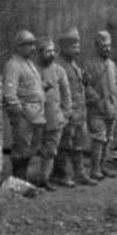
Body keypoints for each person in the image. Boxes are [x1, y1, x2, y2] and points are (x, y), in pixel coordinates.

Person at [2, 30, 46, 185]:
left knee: (30, 149)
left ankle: (24, 180)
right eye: (28, 45)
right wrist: (20, 112)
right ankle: (18, 182)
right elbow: (9, 93)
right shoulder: (13, 65)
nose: (32, 48)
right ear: (19, 47)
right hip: (24, 116)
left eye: (33, 44)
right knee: (21, 149)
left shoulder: (28, 63)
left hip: (36, 114)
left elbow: (29, 85)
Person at [55, 28, 97, 186]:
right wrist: (66, 112)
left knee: (78, 144)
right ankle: (61, 175)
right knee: (64, 145)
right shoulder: (58, 66)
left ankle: (79, 173)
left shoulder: (73, 64)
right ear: (64, 48)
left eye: (78, 47)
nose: (77, 50)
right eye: (73, 47)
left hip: (79, 112)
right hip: (67, 113)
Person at [36, 39, 75, 188]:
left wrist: (65, 113)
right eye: (47, 51)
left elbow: (66, 95)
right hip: (35, 117)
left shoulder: (59, 71)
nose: (51, 54)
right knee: (32, 148)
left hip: (54, 117)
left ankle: (44, 179)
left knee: (50, 149)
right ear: (40, 53)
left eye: (53, 51)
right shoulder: (33, 70)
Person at [87, 30, 117, 173]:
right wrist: (98, 101)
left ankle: (103, 166)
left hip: (111, 108)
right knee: (98, 139)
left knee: (108, 138)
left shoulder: (111, 65)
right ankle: (95, 169)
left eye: (109, 46)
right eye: (104, 46)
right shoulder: (90, 65)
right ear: (97, 47)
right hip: (97, 110)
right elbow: (86, 87)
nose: (108, 49)